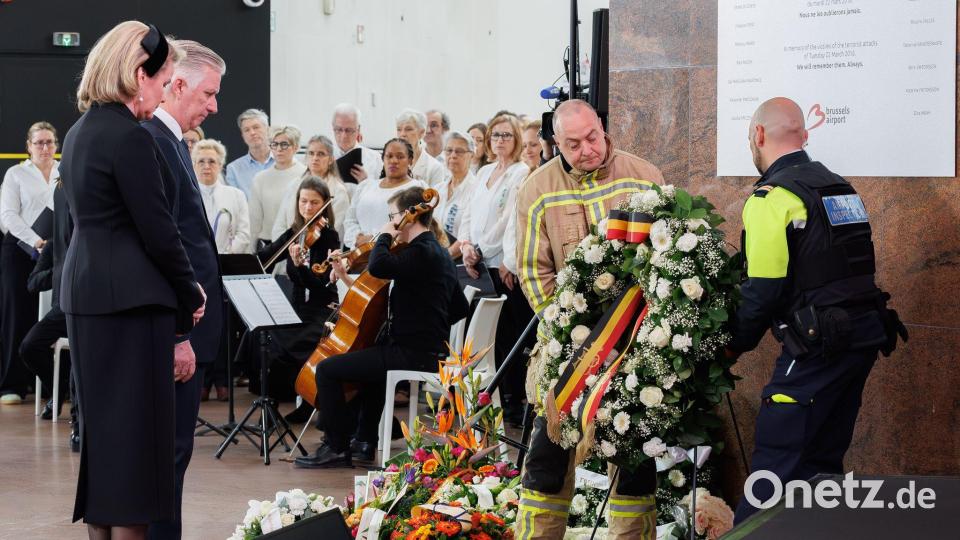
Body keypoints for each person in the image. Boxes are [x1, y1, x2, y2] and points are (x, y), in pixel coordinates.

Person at [59, 21, 206, 540]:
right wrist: (190, 292)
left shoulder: (80, 133)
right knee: (139, 453)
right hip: (131, 306)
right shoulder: (130, 138)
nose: (165, 93)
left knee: (105, 447)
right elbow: (160, 233)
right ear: (139, 74)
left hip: (86, 297)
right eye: (164, 81)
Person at [728, 97, 906, 523]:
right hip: (862, 339)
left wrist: (731, 346)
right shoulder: (840, 187)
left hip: (816, 348)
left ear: (758, 135)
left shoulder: (771, 198)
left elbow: (763, 291)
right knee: (821, 471)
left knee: (773, 471)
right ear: (804, 135)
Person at [514, 99, 663, 539]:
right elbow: (533, 271)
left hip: (635, 348)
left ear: (602, 127)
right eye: (573, 144)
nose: (587, 150)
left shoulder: (644, 175)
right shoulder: (536, 190)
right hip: (568, 353)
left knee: (634, 461)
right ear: (555, 143)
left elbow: (667, 255)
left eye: (592, 138)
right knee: (546, 459)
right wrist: (568, 331)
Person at [294, 186, 469, 468]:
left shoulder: (420, 251)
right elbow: (460, 307)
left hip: (412, 353)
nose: (391, 221)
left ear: (409, 216)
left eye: (393, 216)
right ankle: (364, 441)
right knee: (371, 367)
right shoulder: (436, 251)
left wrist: (385, 235)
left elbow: (378, 266)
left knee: (327, 370)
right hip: (426, 350)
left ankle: (336, 447)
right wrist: (426, 320)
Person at [141, 38, 225, 540]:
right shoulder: (155, 140)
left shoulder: (172, 140)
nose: (213, 107)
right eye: (208, 94)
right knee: (167, 455)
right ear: (176, 84)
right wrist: (180, 335)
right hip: (178, 330)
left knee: (175, 455)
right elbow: (165, 245)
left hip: (187, 327)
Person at [459, 114, 529, 423]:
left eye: (506, 135)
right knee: (483, 337)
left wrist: (481, 249)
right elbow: (468, 214)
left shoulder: (520, 172)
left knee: (507, 337)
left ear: (516, 140)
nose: (500, 140)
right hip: (477, 264)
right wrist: (466, 246)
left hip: (501, 264)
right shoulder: (484, 171)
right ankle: (485, 399)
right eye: (495, 135)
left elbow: (509, 219)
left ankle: (512, 401)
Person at [0, 121, 59, 404]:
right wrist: (36, 241)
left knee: (50, 317)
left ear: (56, 145)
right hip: (20, 251)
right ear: (29, 146)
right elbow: (7, 216)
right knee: (17, 314)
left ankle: (50, 385)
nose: (44, 148)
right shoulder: (16, 174)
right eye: (39, 143)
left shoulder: (64, 172)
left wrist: (51, 245)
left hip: (55, 253)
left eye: (49, 142)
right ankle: (11, 384)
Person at [258, 178, 339, 368]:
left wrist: (300, 267)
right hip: (296, 308)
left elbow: (320, 285)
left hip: (319, 311)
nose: (308, 207)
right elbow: (265, 256)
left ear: (324, 204)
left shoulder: (329, 236)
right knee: (258, 334)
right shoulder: (293, 233)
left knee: (287, 343)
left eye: (314, 202)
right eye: (303, 201)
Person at [21, 183, 76, 444]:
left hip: (82, 309)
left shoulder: (83, 241)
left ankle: (76, 410)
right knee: (29, 346)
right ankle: (58, 388)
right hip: (59, 311)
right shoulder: (53, 245)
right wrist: (58, 273)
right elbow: (32, 283)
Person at [342, 138, 427, 248]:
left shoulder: (417, 188)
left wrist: (375, 240)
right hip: (359, 252)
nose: (394, 161)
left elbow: (416, 227)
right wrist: (357, 238)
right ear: (383, 159)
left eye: (400, 157)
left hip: (395, 252)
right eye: (389, 156)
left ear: (410, 160)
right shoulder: (365, 186)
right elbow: (350, 220)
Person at [272, 135, 350, 242]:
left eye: (321, 154)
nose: (315, 158)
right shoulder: (294, 184)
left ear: (331, 160)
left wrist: (300, 247)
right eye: (311, 153)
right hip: (287, 247)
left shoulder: (339, 191)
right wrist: (284, 247)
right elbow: (279, 225)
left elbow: (331, 231)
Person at [248, 126, 307, 250]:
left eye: (284, 144)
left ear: (296, 147)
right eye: (274, 144)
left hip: (296, 243)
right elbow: (254, 219)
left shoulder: (305, 175)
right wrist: (250, 250)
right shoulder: (260, 178)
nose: (279, 149)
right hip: (267, 244)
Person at [193, 139, 251, 254]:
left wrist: (225, 254)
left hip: (227, 260)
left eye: (212, 161)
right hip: (195, 259)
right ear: (194, 166)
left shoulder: (237, 195)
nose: (206, 166)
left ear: (220, 166)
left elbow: (243, 234)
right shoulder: (185, 196)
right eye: (201, 161)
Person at [434, 131, 477, 259]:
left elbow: (469, 234)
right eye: (449, 150)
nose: (453, 155)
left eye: (459, 151)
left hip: (460, 260)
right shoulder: (437, 190)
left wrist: (443, 259)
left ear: (471, 155)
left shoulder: (476, 190)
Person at [331, 103, 383, 187]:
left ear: (358, 129)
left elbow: (381, 191)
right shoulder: (323, 156)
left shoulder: (375, 159)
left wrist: (366, 182)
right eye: (339, 129)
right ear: (333, 127)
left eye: (349, 130)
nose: (344, 136)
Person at [225, 109, 274, 198]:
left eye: (256, 127)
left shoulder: (283, 162)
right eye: (246, 130)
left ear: (268, 129)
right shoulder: (233, 169)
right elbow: (234, 202)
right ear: (242, 135)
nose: (252, 133)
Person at [396, 108, 448, 187]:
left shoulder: (434, 168)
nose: (402, 134)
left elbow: (435, 195)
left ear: (422, 133)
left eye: (409, 129)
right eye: (399, 129)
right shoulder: (390, 162)